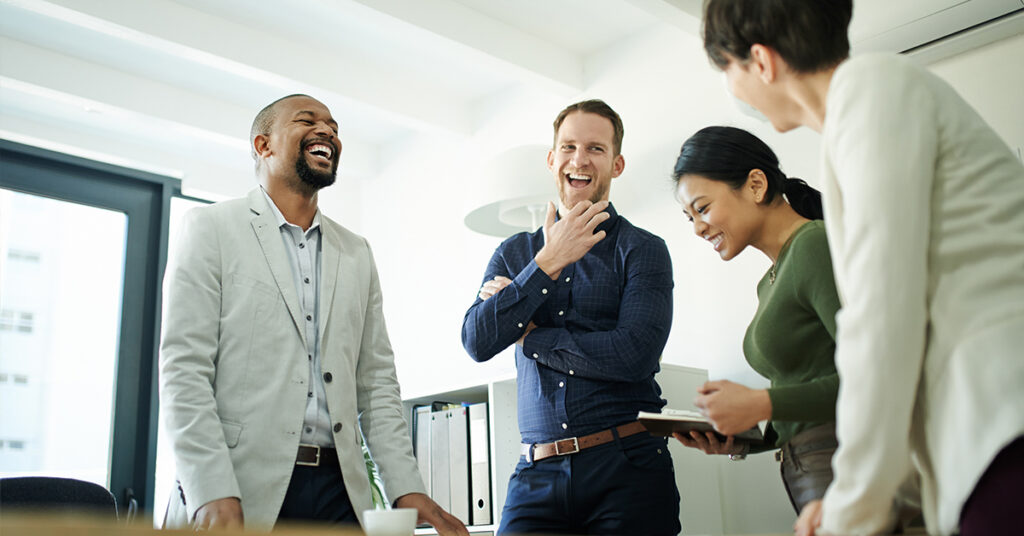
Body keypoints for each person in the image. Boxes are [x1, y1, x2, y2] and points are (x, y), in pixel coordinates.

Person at [701, 1, 1024, 535]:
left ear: (760, 61)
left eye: (726, 70)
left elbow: (881, 321)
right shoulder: (869, 103)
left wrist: (855, 501)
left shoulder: (870, 91)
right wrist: (859, 492)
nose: (731, 90)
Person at [159, 94, 467, 534]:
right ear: (262, 145)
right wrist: (210, 488)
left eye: (334, 126)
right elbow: (184, 371)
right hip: (237, 488)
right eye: (308, 120)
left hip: (339, 493)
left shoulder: (356, 253)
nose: (327, 131)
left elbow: (376, 381)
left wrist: (405, 486)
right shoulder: (210, 230)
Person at [461, 99, 680, 535]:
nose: (579, 159)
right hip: (535, 474)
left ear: (616, 164)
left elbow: (632, 354)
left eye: (596, 149)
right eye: (569, 146)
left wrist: (530, 336)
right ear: (552, 158)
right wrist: (546, 263)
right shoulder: (515, 253)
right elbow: (477, 340)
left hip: (627, 468)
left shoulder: (642, 249)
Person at [671, 126, 840, 513]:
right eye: (688, 217)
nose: (697, 227)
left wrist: (760, 402)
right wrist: (743, 437)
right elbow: (799, 402)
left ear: (756, 185)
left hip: (841, 464)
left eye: (702, 207)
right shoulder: (770, 281)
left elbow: (873, 378)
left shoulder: (814, 245)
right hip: (804, 468)